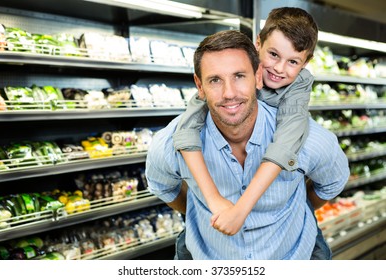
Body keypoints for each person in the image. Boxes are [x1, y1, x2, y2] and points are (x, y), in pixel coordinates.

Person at [146, 29, 350, 259]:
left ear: (258, 75)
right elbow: (163, 186)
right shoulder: (167, 144)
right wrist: (203, 210)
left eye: (239, 76)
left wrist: (290, 211)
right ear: (199, 85)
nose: (229, 93)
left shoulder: (311, 139)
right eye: (215, 80)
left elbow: (331, 183)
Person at [173, 7, 319, 236]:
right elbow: (186, 129)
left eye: (293, 61)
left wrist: (240, 210)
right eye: (273, 55)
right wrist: (214, 199)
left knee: (312, 244)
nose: (279, 69)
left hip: (276, 209)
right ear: (258, 43)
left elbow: (286, 143)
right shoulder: (233, 67)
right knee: (188, 242)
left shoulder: (299, 84)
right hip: (217, 209)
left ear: (306, 62)